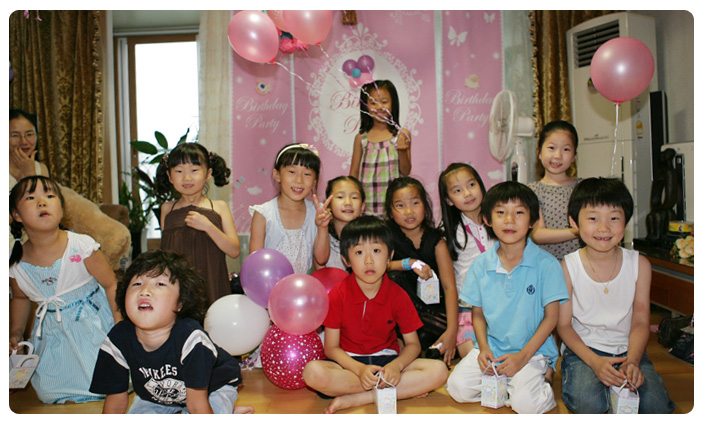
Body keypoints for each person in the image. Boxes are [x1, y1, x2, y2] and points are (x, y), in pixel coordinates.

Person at [302, 215, 448, 414]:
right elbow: (331, 348)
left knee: (439, 371)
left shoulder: (398, 295)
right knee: (312, 373)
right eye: (359, 252)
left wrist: (397, 366)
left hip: (387, 363)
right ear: (346, 259)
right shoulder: (338, 294)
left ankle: (359, 398)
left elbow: (413, 345)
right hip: (350, 366)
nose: (369, 260)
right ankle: (391, 391)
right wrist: (359, 370)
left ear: (389, 257)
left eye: (377, 251)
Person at [446, 181, 569, 414]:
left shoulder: (547, 264)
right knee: (457, 388)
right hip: (493, 348)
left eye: (519, 213)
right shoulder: (480, 265)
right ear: (487, 219)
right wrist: (483, 348)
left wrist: (522, 357)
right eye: (501, 212)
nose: (509, 220)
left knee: (526, 405)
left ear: (532, 221)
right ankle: (511, 384)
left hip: (532, 351)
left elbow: (552, 318)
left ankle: (541, 375)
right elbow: (477, 314)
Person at [557, 178, 675, 414]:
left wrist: (632, 360)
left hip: (628, 349)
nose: (604, 228)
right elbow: (564, 326)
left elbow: (640, 321)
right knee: (589, 404)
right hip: (584, 351)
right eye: (593, 218)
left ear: (625, 222)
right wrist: (594, 362)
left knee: (655, 406)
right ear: (574, 222)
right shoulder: (567, 267)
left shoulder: (639, 264)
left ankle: (619, 390)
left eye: (614, 218)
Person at [89, 249, 254, 414]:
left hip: (211, 389)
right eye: (137, 284)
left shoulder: (191, 338)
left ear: (181, 303)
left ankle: (227, 410)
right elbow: (116, 400)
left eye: (160, 284)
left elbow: (197, 405)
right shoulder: (118, 339)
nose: (144, 291)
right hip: (155, 397)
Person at [8, 176, 119, 404]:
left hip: (91, 324)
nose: (42, 202)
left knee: (103, 380)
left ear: (61, 209)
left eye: (50, 196)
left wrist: (120, 324)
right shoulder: (16, 262)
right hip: (51, 330)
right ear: (16, 215)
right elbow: (20, 298)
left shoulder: (80, 246)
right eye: (31, 198)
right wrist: (16, 332)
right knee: (49, 390)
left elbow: (110, 283)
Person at [384, 176, 458, 365]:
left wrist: (452, 330)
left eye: (415, 203)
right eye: (400, 205)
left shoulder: (436, 241)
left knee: (446, 336)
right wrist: (410, 263)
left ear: (425, 206)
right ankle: (412, 345)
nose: (409, 211)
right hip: (402, 319)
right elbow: (377, 267)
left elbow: (449, 287)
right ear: (390, 212)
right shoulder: (386, 237)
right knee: (393, 278)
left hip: (433, 313)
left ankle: (431, 344)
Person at [155, 142, 240, 306]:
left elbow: (234, 250)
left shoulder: (219, 207)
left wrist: (208, 226)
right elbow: (165, 252)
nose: (186, 178)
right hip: (177, 288)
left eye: (194, 170)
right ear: (170, 176)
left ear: (208, 174)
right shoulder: (167, 209)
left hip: (212, 284)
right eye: (179, 171)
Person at [249, 143, 332, 273]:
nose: (299, 180)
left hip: (304, 284)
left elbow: (321, 259)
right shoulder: (264, 214)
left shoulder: (317, 213)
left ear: (315, 181)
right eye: (292, 172)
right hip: (270, 284)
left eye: (307, 174)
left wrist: (322, 228)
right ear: (277, 175)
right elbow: (255, 264)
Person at [438, 163, 492, 359]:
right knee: (474, 360)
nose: (467, 193)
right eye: (457, 190)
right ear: (449, 200)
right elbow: (448, 284)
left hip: (503, 304)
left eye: (471, 185)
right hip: (467, 308)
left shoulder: (499, 219)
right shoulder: (448, 233)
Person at [349, 80, 412, 217]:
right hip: (368, 207)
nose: (379, 107)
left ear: (393, 103)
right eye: (373, 102)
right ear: (365, 106)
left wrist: (402, 150)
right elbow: (353, 173)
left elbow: (406, 171)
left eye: (384, 101)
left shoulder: (401, 135)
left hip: (394, 207)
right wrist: (353, 199)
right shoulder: (361, 138)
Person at [527, 120, 582, 261]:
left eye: (566, 149)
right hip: (547, 266)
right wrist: (578, 231)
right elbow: (537, 235)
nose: (558, 155)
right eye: (551, 148)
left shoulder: (583, 187)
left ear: (574, 156)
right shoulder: (532, 191)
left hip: (581, 265)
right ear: (539, 152)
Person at [316, 175, 366, 271]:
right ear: (328, 204)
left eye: (354, 197)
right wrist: (322, 228)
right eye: (340, 197)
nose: (348, 202)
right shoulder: (323, 236)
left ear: (362, 206)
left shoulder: (370, 236)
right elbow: (320, 262)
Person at [9, 109, 49, 185]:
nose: (24, 142)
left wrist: (30, 174)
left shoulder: (41, 168)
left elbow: (41, 193)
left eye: (29, 134)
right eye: (15, 135)